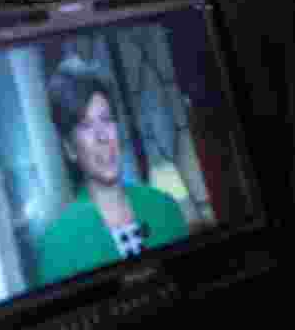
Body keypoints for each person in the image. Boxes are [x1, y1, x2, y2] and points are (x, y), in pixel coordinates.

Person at [35, 64, 188, 287]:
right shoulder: (58, 245)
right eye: (86, 125)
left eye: (106, 120)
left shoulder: (165, 208)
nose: (102, 136)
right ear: (70, 148)